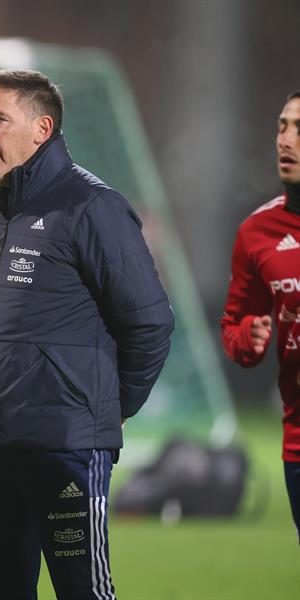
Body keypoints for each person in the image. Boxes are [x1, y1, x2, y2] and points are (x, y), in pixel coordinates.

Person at [0, 69, 174, 600]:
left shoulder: (92, 206)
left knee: (83, 591)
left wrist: (114, 407)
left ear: (42, 128)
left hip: (66, 445)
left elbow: (149, 321)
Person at [221, 90, 300, 544]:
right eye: (282, 127)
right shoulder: (257, 232)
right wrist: (248, 336)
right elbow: (234, 326)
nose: (285, 140)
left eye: (299, 129)